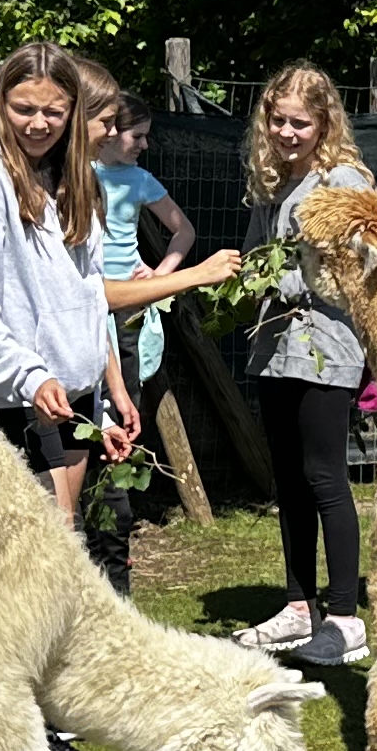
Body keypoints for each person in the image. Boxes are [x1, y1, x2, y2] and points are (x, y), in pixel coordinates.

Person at [0, 43, 140, 523]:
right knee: (36, 558)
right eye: (23, 109)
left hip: (67, 393)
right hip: (12, 399)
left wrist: (104, 396)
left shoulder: (65, 171)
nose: (38, 123)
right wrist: (30, 376)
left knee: (54, 553)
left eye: (54, 112)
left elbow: (86, 291)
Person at [235, 62, 376, 668]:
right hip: (275, 343)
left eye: (301, 122)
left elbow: (371, 259)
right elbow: (254, 257)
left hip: (326, 343)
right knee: (288, 480)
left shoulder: (340, 178)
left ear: (325, 123)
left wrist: (328, 258)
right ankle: (299, 607)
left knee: (324, 477)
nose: (288, 132)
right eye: (279, 120)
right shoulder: (272, 184)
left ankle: (344, 619)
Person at [76, 68, 238, 591]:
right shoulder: (76, 175)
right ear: (104, 129)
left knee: (121, 419)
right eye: (136, 135)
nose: (144, 145)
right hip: (84, 306)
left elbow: (183, 228)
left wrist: (162, 274)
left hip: (127, 308)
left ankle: (112, 551)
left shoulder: (139, 180)